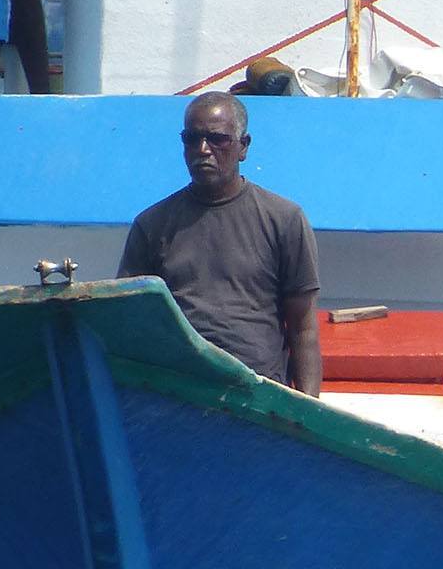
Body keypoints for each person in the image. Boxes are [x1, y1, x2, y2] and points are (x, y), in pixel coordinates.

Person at [118, 94, 322, 394]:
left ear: (243, 146)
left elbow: (303, 328)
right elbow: (132, 323)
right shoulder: (151, 224)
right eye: (192, 138)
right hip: (182, 392)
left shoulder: (285, 219)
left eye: (217, 139)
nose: (203, 150)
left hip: (259, 395)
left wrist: (308, 416)